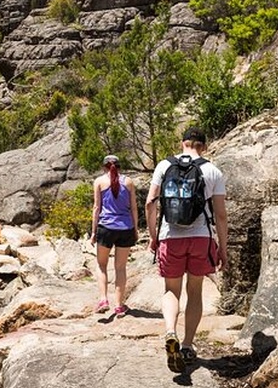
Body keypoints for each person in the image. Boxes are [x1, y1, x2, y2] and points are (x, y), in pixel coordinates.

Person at [145, 127, 228, 373]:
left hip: (170, 237)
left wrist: (152, 236)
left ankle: (170, 331)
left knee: (171, 290)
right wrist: (222, 248)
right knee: (195, 290)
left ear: (182, 143)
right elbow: (221, 215)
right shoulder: (212, 170)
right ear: (204, 146)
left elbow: (150, 203)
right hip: (201, 237)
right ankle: (188, 345)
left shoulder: (163, 166)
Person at [90, 154, 138, 317]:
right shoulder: (129, 182)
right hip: (126, 228)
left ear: (104, 167)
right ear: (119, 167)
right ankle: (119, 305)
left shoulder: (99, 182)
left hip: (106, 227)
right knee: (120, 267)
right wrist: (135, 229)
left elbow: (97, 208)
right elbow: (133, 208)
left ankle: (103, 299)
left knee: (101, 264)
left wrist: (94, 232)